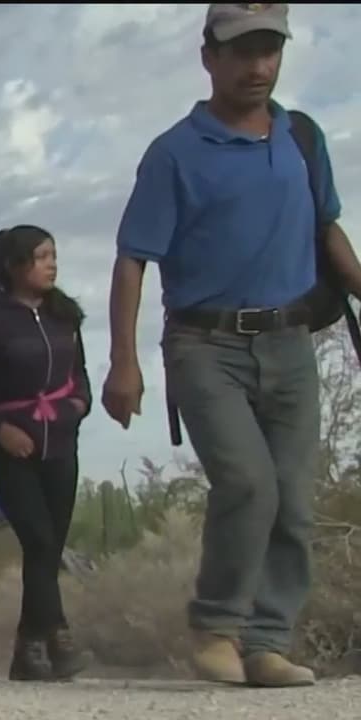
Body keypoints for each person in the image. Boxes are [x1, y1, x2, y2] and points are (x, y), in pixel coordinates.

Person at [101, 4, 360, 689]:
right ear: (209, 57)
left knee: (294, 499)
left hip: (290, 341)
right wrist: (123, 362)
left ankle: (267, 642)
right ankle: (216, 628)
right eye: (243, 51)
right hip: (204, 343)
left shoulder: (302, 136)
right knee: (248, 482)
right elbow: (133, 258)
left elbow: (327, 227)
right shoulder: (175, 152)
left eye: (270, 50)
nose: (259, 66)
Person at [0, 225, 94, 682]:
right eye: (42, 257)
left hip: (61, 444)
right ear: (14, 266)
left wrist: (77, 407)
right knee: (40, 541)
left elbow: (80, 374)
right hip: (12, 450)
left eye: (53, 255)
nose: (52, 264)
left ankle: (27, 651)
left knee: (47, 550)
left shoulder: (64, 314)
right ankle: (59, 637)